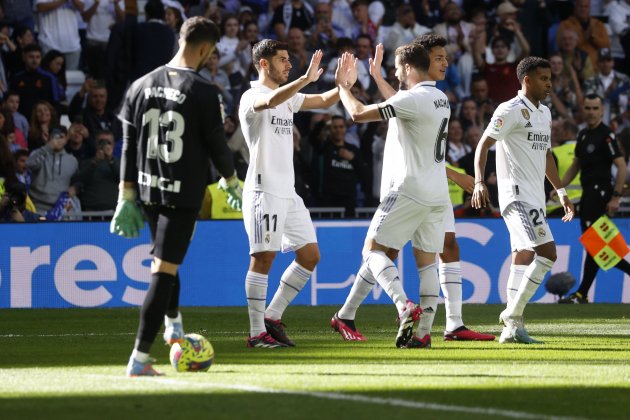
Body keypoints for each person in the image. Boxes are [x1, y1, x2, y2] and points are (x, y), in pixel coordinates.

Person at [331, 38, 494, 347]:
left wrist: (343, 87)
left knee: (373, 251)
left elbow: (358, 114)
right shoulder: (441, 99)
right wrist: (378, 77)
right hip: (436, 194)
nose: (395, 73)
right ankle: (422, 335)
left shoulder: (412, 100)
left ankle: (403, 304)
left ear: (407, 67)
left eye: (396, 69)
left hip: (407, 188)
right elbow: (402, 105)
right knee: (428, 262)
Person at [111, 17, 242, 377]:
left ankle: (174, 322)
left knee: (164, 259)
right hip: (181, 196)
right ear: (205, 49)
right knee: (163, 271)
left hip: (149, 193)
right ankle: (139, 359)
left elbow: (127, 147)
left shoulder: (140, 84)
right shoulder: (202, 90)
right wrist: (231, 181)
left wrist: (125, 195)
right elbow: (217, 144)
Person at [239, 39, 341, 348]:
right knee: (263, 259)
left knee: (310, 256)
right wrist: (305, 80)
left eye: (289, 60)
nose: (289, 64)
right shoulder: (252, 96)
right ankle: (257, 333)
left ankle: (272, 316)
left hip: (288, 192)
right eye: (283, 60)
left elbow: (323, 101)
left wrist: (345, 86)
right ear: (264, 64)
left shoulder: (288, 98)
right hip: (263, 190)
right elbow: (268, 103)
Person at [472, 56, 575, 344]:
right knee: (548, 252)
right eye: (543, 78)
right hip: (517, 196)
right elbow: (484, 144)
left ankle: (511, 331)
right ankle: (512, 313)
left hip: (536, 198)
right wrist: (480, 181)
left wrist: (562, 191)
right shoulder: (511, 110)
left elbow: (546, 155)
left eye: (550, 78)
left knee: (521, 256)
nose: (549, 83)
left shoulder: (544, 113)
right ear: (526, 80)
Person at [559, 94, 630, 304]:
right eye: (587, 108)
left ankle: (581, 293)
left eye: (594, 108)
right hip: (588, 193)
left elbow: (621, 166)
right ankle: (581, 294)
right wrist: (560, 187)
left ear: (601, 111)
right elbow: (576, 165)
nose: (590, 112)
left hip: (600, 194)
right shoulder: (582, 135)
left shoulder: (606, 135)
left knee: (598, 245)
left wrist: (615, 196)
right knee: (595, 246)